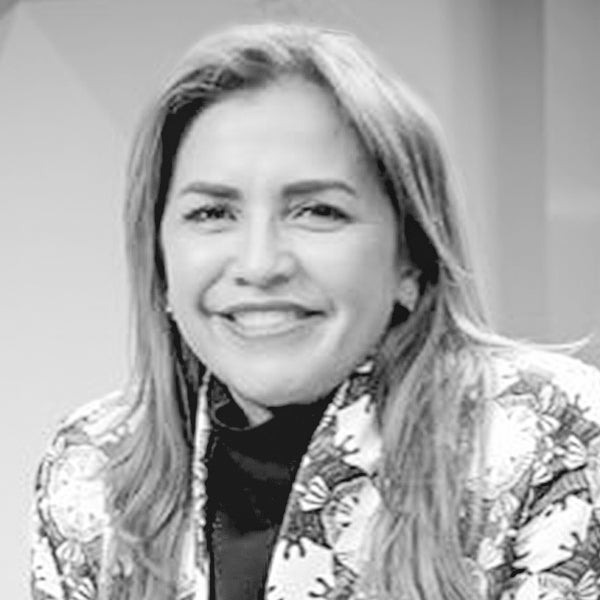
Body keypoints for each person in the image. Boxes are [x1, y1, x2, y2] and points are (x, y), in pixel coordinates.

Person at [30, 22, 600, 600]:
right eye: (212, 214)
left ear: (410, 258)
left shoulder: (553, 432)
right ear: (160, 262)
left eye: (318, 211)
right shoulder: (92, 466)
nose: (259, 264)